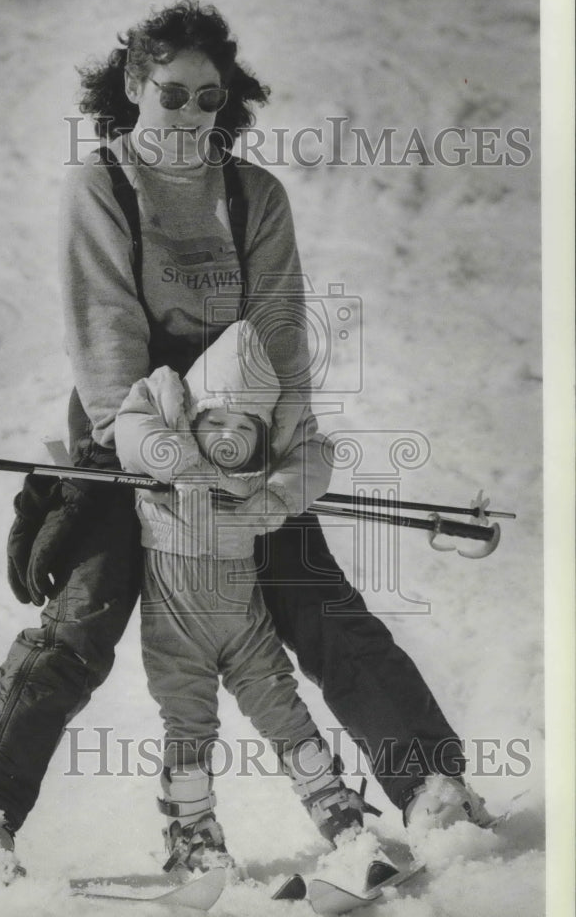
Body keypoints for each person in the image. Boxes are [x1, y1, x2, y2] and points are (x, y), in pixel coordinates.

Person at [0, 0, 492, 881]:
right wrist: (154, 455)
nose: (189, 114)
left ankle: (431, 787)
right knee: (89, 608)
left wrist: (273, 455)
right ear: (134, 88)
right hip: (133, 425)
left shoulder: (254, 193)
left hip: (239, 420)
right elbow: (104, 329)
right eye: (171, 92)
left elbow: (279, 334)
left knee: (308, 593)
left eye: (208, 97)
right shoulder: (102, 185)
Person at [114, 319, 388, 874]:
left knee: (282, 710)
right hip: (177, 627)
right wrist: (170, 456)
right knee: (187, 723)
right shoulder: (170, 436)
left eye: (243, 425)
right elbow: (130, 426)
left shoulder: (260, 478)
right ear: (192, 417)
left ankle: (339, 814)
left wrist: (277, 500)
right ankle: (194, 835)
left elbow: (314, 457)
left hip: (246, 625)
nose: (227, 436)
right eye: (214, 420)